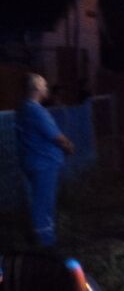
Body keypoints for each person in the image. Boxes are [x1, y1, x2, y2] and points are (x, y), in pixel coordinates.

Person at [14, 73, 74, 247]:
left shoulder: (24, 109)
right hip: (44, 163)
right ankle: (45, 241)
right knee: (44, 201)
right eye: (45, 86)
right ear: (38, 88)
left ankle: (45, 235)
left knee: (42, 200)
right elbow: (55, 136)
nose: (47, 89)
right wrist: (68, 146)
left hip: (34, 161)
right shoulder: (35, 110)